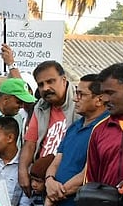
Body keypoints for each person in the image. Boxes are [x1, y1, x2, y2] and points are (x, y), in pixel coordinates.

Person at [44, 74, 109, 206]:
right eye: (75, 93)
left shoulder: (105, 129)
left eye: (81, 94)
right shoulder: (74, 126)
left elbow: (88, 173)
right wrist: (49, 180)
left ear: (99, 99)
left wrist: (54, 196)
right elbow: (56, 160)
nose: (75, 99)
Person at [19, 61, 79, 197]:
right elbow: (30, 144)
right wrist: (22, 172)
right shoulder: (40, 107)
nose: (45, 88)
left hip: (67, 182)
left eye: (50, 81)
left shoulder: (79, 104)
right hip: (40, 182)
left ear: (64, 80)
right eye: (41, 84)